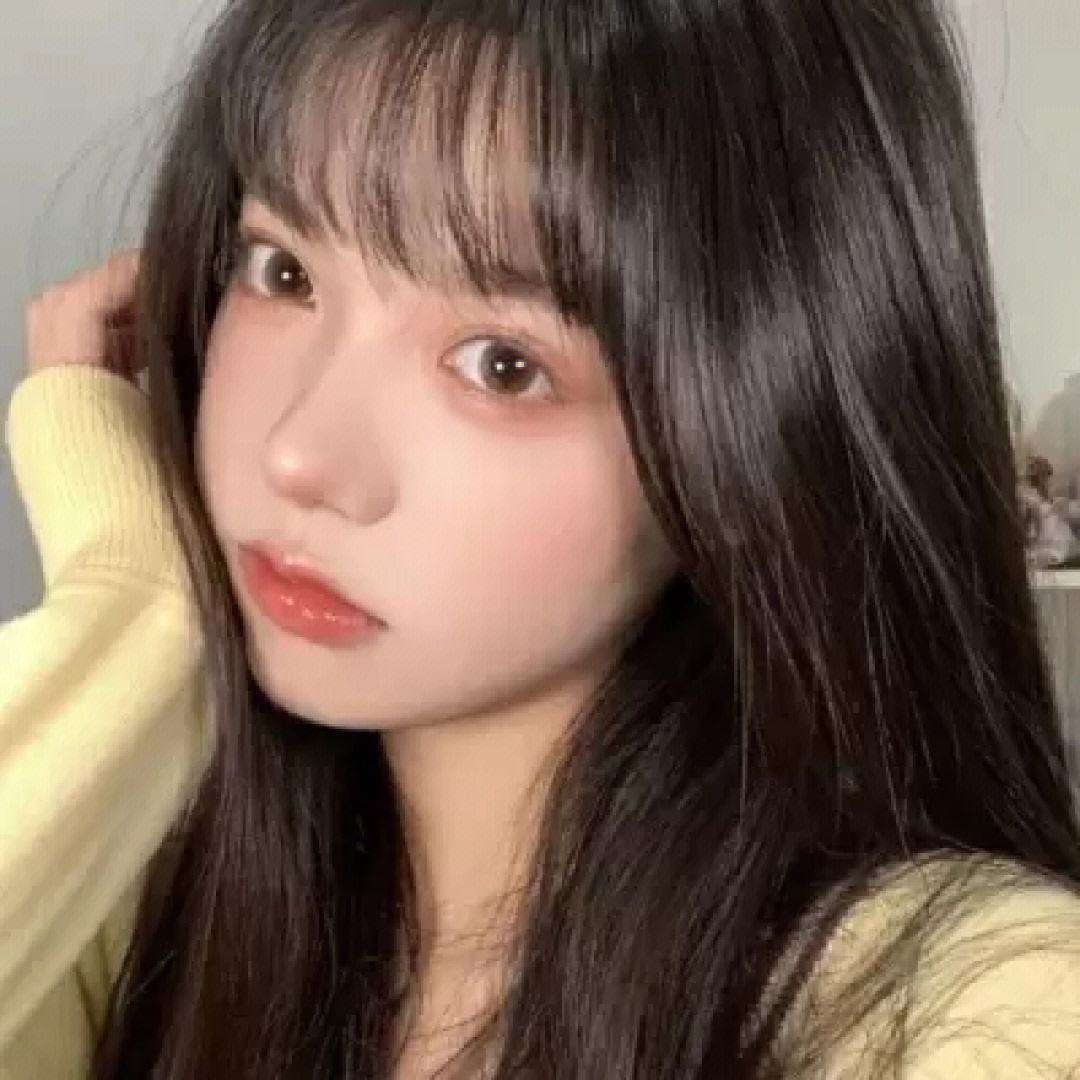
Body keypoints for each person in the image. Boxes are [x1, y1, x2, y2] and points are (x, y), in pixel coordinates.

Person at [2, 0, 1080, 1076]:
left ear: (756, 428)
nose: (299, 455)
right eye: (284, 272)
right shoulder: (124, 919)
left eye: (502, 365)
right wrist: (137, 605)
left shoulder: (979, 1000)